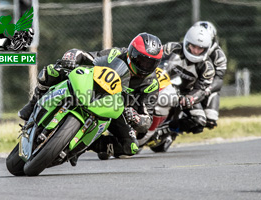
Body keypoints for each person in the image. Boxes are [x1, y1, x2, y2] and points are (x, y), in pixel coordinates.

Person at [18, 32, 163, 163]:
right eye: (142, 60)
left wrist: (136, 118)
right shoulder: (116, 54)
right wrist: (72, 57)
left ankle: (87, 144)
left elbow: (147, 119)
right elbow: (87, 56)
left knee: (130, 147)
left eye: (150, 63)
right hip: (91, 90)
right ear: (132, 53)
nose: (145, 66)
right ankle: (33, 105)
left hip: (116, 111)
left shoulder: (151, 84)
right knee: (53, 71)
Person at [160, 25, 215, 135]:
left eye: (200, 49)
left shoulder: (207, 68)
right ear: (187, 42)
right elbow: (155, 62)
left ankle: (170, 130)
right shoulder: (171, 48)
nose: (195, 51)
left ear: (206, 49)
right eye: (193, 46)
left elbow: (201, 89)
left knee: (200, 121)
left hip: (185, 94)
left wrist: (191, 98)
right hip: (163, 84)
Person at [193, 21, 227, 129]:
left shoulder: (219, 56)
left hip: (204, 86)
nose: (198, 47)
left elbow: (219, 79)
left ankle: (207, 113)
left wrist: (206, 90)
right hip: (187, 82)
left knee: (210, 117)